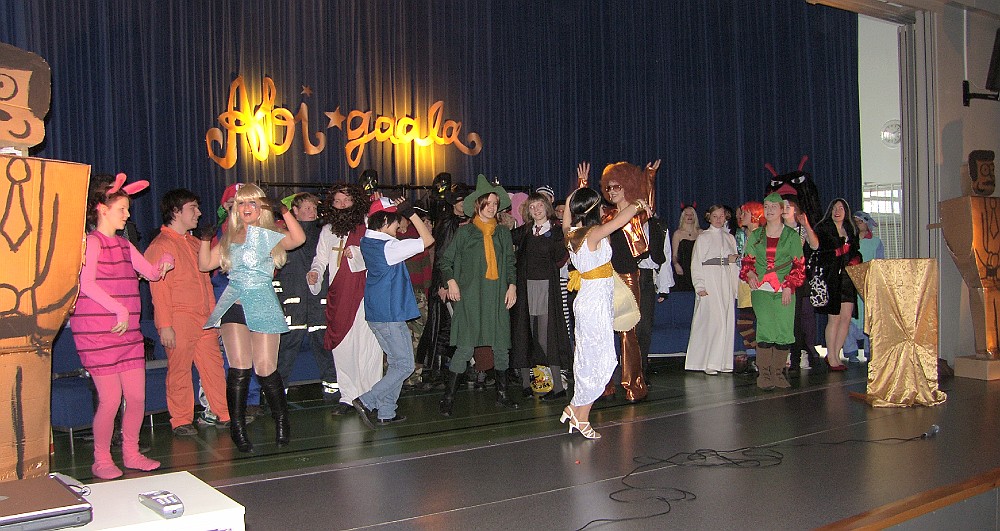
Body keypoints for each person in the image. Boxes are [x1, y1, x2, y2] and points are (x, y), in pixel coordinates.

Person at [71, 173, 173, 479]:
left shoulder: (125, 245)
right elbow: (86, 283)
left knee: (137, 397)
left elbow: (152, 274)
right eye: (122, 209)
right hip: (98, 333)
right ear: (102, 209)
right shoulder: (92, 243)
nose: (128, 214)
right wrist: (119, 309)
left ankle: (131, 452)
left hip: (127, 333)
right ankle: (101, 459)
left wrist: (165, 261)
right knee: (111, 399)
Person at [200, 183, 305, 452]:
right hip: (234, 304)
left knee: (266, 368)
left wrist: (283, 211)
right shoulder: (229, 236)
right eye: (241, 203)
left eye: (252, 203)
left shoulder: (270, 234)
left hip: (263, 303)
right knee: (239, 368)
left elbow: (298, 239)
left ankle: (281, 421)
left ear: (261, 208)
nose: (246, 208)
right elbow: (205, 265)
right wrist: (204, 240)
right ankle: (237, 428)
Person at [560, 175, 651, 439]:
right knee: (601, 360)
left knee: (589, 357)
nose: (604, 209)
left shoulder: (571, 234)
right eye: (600, 206)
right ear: (593, 210)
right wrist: (638, 204)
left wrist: (574, 196)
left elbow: (566, 218)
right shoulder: (592, 234)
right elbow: (621, 221)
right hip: (595, 302)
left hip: (590, 299)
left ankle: (576, 408)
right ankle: (581, 416)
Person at [145, 188, 230, 438]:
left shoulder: (194, 243)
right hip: (179, 317)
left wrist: (214, 317)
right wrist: (165, 325)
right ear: (175, 211)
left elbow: (207, 282)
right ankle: (181, 419)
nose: (199, 213)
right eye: (193, 208)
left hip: (205, 317)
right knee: (180, 370)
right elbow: (159, 290)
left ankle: (223, 412)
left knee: (214, 367)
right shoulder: (161, 245)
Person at [437, 174, 518, 416]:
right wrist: (451, 282)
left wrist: (512, 286)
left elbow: (510, 263)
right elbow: (445, 261)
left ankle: (502, 395)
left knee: (501, 347)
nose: (492, 207)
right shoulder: (465, 233)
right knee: (465, 348)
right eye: (488, 203)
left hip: (497, 297)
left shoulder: (502, 233)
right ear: (478, 205)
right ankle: (448, 398)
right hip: (471, 298)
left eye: (495, 203)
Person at [351, 198, 434, 427]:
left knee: (397, 363)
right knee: (405, 365)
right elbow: (428, 240)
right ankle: (367, 401)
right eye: (397, 221)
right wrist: (411, 212)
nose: (399, 225)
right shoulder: (390, 247)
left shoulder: (368, 240)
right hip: (390, 314)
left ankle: (387, 411)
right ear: (385, 221)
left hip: (377, 312)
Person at [308, 183, 384, 416]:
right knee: (343, 347)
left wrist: (358, 254)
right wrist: (315, 273)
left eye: (346, 200)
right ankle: (348, 396)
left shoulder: (368, 224)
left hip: (365, 292)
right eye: (337, 201)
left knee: (368, 346)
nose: (342, 206)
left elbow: (381, 251)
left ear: (356, 202)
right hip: (339, 294)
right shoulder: (328, 230)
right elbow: (320, 259)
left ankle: (370, 396)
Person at [598, 159, 661, 402]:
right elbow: (585, 212)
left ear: (627, 186)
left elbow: (648, 205)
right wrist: (582, 182)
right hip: (607, 277)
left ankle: (634, 384)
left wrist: (650, 177)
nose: (612, 191)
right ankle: (605, 386)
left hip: (629, 276)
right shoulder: (606, 215)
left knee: (628, 332)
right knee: (604, 331)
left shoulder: (637, 211)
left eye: (617, 187)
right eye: (609, 187)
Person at [275, 193, 338, 400]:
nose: (312, 212)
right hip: (293, 300)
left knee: (324, 343)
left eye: (314, 208)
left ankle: (332, 387)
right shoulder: (283, 234)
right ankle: (278, 392)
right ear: (294, 211)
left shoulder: (324, 233)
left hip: (318, 300)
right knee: (287, 347)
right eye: (307, 208)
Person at [740, 193, 805, 390]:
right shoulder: (756, 235)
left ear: (781, 210)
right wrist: (750, 273)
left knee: (784, 331)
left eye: (773, 206)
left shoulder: (791, 236)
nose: (769, 210)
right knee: (766, 329)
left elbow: (799, 265)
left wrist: (789, 286)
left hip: (784, 288)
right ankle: (764, 374)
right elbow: (747, 261)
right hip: (761, 289)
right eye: (766, 206)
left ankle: (778, 373)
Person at [510, 192, 572, 400]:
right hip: (525, 288)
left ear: (547, 207)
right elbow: (503, 239)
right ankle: (526, 384)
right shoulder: (525, 231)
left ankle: (558, 387)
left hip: (546, 288)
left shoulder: (556, 232)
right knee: (525, 334)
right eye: (532, 206)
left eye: (539, 205)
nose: (536, 210)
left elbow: (562, 255)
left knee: (547, 337)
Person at [416, 185, 469, 388]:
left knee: (456, 327)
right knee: (444, 328)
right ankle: (438, 372)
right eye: (459, 201)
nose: (463, 204)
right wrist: (443, 283)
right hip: (448, 283)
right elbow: (442, 255)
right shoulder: (448, 223)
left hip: (463, 283)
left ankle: (454, 370)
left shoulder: (468, 222)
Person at [804, 198, 862, 371]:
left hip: (848, 278)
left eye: (841, 208)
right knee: (834, 318)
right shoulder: (823, 229)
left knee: (846, 317)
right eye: (835, 208)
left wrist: (855, 259)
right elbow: (817, 251)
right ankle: (831, 356)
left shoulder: (850, 229)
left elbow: (856, 251)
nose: (837, 211)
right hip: (831, 278)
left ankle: (836, 354)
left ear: (846, 212)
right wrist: (838, 252)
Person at [685, 205, 740, 374]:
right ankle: (709, 362)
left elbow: (734, 263)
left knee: (726, 321)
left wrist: (735, 287)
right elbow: (696, 263)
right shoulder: (704, 237)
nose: (718, 219)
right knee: (714, 322)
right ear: (709, 217)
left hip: (725, 282)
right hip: (710, 281)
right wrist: (700, 285)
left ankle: (723, 362)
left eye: (721, 216)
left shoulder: (730, 238)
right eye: (715, 216)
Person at [782, 197, 826, 374]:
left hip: (797, 278)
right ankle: (782, 355)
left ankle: (796, 357)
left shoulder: (801, 230)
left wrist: (806, 225)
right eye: (782, 206)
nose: (785, 209)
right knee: (782, 318)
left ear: (795, 210)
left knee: (797, 319)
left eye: (788, 206)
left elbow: (815, 246)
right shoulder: (776, 229)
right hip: (778, 278)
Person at [843, 210, 885, 362]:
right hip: (851, 283)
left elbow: (880, 263)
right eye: (855, 222)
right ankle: (850, 350)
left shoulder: (876, 242)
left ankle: (869, 350)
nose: (858, 224)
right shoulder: (849, 241)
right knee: (848, 316)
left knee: (869, 317)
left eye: (860, 221)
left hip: (868, 284)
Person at [735, 201, 763, 372]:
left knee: (745, 323)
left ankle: (762, 355)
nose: (741, 216)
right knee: (746, 323)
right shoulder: (748, 234)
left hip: (754, 284)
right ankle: (757, 356)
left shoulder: (759, 235)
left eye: (745, 213)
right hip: (745, 284)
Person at [671, 204, 702, 292]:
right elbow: (674, 255)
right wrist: (676, 264)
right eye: (687, 214)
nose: (689, 216)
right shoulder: (678, 234)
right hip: (683, 269)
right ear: (683, 217)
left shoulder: (701, 233)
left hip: (698, 268)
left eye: (691, 214)